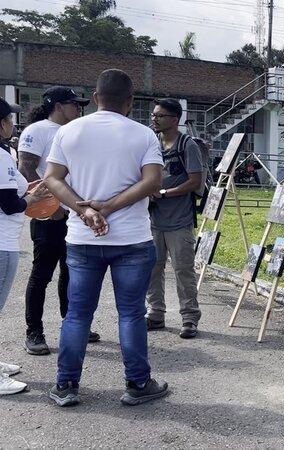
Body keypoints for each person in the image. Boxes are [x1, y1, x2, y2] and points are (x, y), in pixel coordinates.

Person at [44, 69, 169, 407]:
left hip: (83, 240)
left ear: (96, 98)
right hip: (132, 239)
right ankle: (137, 384)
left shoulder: (69, 132)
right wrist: (109, 207)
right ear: (130, 101)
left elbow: (52, 179)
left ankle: (66, 385)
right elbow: (153, 182)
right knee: (130, 314)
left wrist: (85, 211)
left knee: (78, 315)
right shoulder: (143, 135)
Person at [18, 87, 100, 356]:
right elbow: (27, 170)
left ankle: (73, 326)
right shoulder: (37, 131)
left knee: (72, 273)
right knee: (42, 274)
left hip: (74, 215)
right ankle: (34, 331)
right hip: (49, 216)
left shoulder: (75, 130)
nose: (78, 109)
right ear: (56, 105)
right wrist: (48, 207)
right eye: (73, 104)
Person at [0, 98, 50, 395]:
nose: (11, 123)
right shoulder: (2, 156)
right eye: (8, 119)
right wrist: (34, 198)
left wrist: (31, 190)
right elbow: (9, 205)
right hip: (3, 243)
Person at [146, 98, 202, 339]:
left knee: (183, 271)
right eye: (153, 115)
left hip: (179, 221)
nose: (154, 119)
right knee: (152, 269)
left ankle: (189, 318)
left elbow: (195, 181)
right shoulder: (152, 143)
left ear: (174, 119)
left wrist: (165, 192)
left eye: (160, 116)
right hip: (154, 220)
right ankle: (156, 314)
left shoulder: (187, 145)